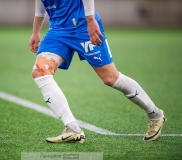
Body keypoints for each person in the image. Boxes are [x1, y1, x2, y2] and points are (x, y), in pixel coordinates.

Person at [29, 0, 166, 143]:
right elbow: (41, 8)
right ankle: (73, 129)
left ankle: (155, 114)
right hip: (57, 30)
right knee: (40, 72)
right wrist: (35, 32)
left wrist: (90, 20)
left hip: (82, 26)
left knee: (111, 78)